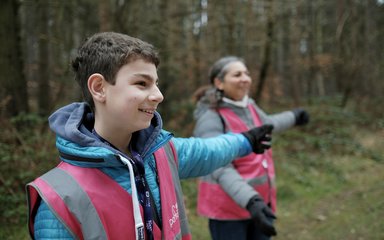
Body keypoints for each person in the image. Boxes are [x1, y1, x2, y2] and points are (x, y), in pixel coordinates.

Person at [26, 33, 275, 240]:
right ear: (99, 88)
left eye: (155, 83)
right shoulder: (58, 200)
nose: (158, 95)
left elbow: (208, 150)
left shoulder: (161, 151)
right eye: (142, 84)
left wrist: (247, 140)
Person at [193, 56, 310, 240]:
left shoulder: (250, 106)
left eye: (247, 73)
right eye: (237, 74)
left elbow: (269, 124)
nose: (245, 78)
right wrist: (250, 200)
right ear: (219, 82)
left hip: (259, 206)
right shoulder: (211, 117)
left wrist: (294, 116)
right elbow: (218, 166)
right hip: (228, 212)